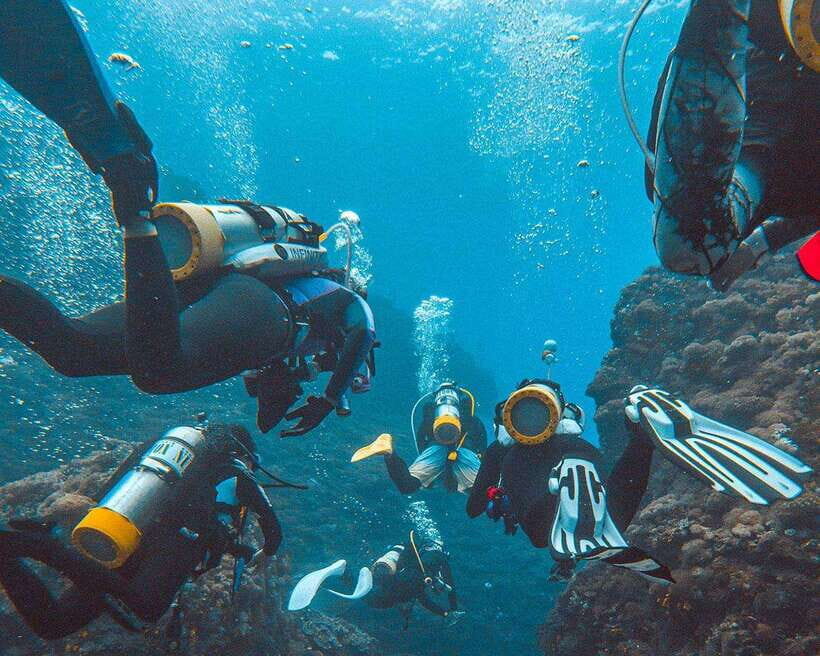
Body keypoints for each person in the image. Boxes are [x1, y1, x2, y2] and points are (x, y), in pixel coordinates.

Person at [0, 0, 376, 437]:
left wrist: (284, 390)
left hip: (215, 289)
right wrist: (330, 398)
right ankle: (135, 208)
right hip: (266, 308)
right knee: (160, 371)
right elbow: (362, 333)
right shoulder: (344, 298)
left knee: (74, 350)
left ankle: (130, 190)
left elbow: (261, 382)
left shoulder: (293, 281)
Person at [468, 381, 812, 583]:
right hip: (577, 454)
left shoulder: (504, 450)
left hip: (539, 497)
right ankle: (641, 432)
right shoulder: (575, 441)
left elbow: (472, 509)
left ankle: (565, 498)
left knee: (543, 537)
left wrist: (492, 472)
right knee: (609, 516)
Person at [0, 424, 282, 640]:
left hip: (125, 531)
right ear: (243, 453)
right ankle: (42, 547)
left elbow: (111, 489)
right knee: (145, 607)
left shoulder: (162, 452)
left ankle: (5, 555)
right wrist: (262, 552)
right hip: (173, 546)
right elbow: (273, 533)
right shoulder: (239, 472)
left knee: (55, 624)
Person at [646, 0, 818, 291]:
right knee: (694, 244)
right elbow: (689, 242)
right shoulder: (761, 58)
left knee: (693, 245)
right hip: (759, 136)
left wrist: (766, 241)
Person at [287, 530, 462, 626]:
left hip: (389, 576)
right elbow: (448, 587)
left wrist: (444, 612)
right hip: (400, 583)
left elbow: (420, 594)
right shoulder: (438, 558)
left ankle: (346, 572)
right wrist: (451, 609)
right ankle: (347, 572)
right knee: (378, 600)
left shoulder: (419, 556)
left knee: (375, 596)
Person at [351, 382, 487, 494]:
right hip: (465, 452)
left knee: (407, 485)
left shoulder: (430, 416)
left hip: (435, 449)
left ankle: (388, 452)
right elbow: (481, 442)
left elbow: (421, 439)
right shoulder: (471, 418)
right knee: (482, 492)